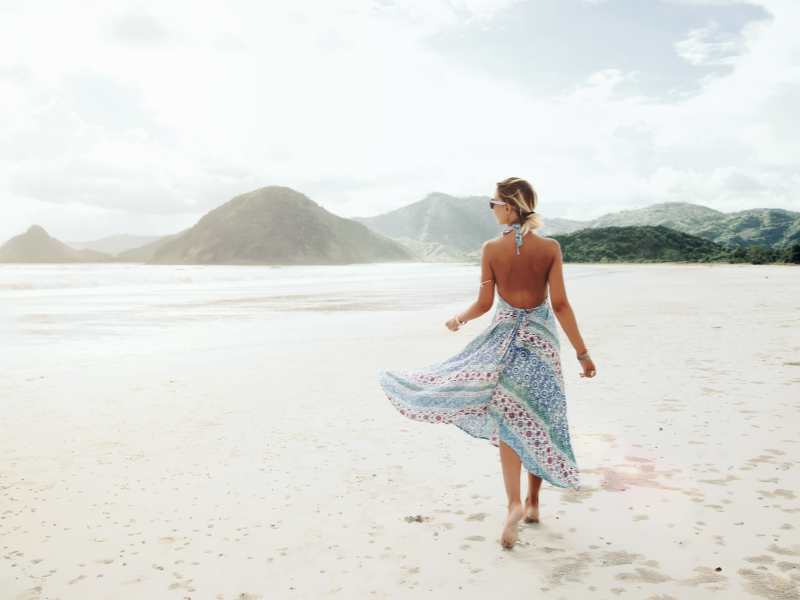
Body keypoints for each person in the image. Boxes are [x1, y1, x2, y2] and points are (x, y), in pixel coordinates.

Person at [378, 176, 596, 550]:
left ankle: (512, 503)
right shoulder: (550, 248)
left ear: (511, 206)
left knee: (510, 422)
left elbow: (483, 304)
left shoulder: (491, 250)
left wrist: (459, 319)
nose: (492, 209)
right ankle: (533, 504)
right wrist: (582, 352)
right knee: (537, 417)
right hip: (539, 344)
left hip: (502, 342)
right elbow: (559, 304)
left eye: (494, 203)